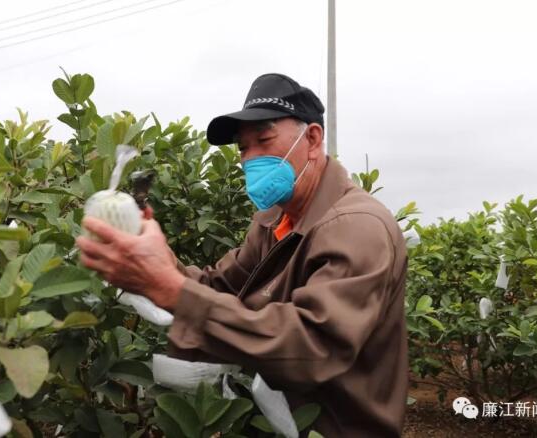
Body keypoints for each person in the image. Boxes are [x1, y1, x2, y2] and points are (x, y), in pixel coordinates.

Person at [76, 73, 409, 437]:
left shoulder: (357, 226)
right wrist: (157, 260)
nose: (250, 159)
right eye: (243, 148)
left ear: (313, 139)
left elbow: (313, 346)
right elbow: (220, 286)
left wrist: (170, 289)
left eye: (263, 140)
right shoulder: (276, 219)